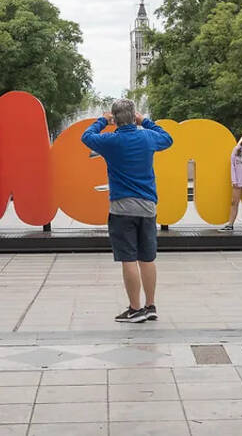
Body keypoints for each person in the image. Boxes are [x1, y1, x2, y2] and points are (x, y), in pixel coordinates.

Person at [81, 99, 173, 323]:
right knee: (147, 259)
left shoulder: (111, 141)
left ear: (115, 118)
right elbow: (168, 139)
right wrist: (145, 121)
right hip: (147, 206)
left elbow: (86, 136)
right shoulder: (147, 137)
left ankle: (135, 309)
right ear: (134, 116)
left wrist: (103, 120)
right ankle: (151, 305)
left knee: (129, 259)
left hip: (122, 208)